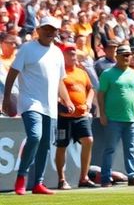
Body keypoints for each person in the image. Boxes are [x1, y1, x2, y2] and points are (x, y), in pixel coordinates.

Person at [3, 17, 71, 195]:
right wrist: (7, 98)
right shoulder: (27, 49)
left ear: (57, 32)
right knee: (35, 136)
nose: (50, 32)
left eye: (53, 29)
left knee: (46, 145)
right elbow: (13, 72)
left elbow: (59, 81)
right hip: (30, 102)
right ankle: (22, 176)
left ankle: (38, 183)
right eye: (46, 28)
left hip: (51, 106)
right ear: (38, 29)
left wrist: (67, 100)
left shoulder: (57, 52)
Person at [98, 44, 134, 187]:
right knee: (110, 149)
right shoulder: (107, 74)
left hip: (130, 119)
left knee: (130, 149)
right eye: (124, 55)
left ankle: (132, 176)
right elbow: (101, 95)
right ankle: (106, 178)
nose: (127, 57)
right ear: (117, 56)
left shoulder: (133, 74)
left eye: (129, 55)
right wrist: (102, 114)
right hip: (113, 118)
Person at [55, 44, 97, 189]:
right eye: (69, 53)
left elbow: (91, 89)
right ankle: (61, 179)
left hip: (81, 114)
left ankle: (84, 177)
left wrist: (88, 103)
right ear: (63, 55)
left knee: (88, 140)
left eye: (74, 52)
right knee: (62, 145)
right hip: (64, 115)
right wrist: (61, 101)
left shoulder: (81, 72)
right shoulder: (60, 72)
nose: (73, 55)